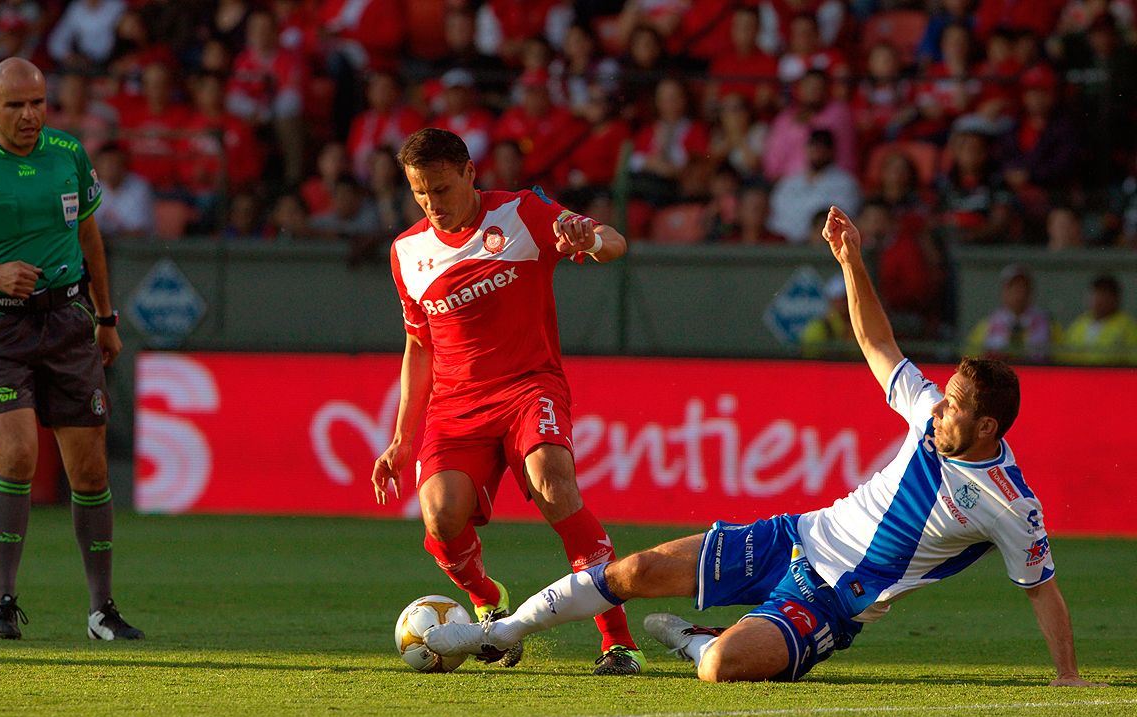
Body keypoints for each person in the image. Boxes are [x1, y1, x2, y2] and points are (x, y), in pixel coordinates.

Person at [424, 206, 1106, 688]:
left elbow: (1042, 591)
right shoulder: (928, 412)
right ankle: (498, 632)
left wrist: (1068, 675)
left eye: (954, 406)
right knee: (631, 572)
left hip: (830, 603)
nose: (938, 408)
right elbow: (878, 345)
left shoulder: (1008, 504)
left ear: (987, 429)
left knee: (722, 669)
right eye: (945, 395)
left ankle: (694, 643)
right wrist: (851, 262)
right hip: (796, 535)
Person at [371, 128, 644, 675]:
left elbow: (614, 241)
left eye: (442, 189)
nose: (433, 205)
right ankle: (487, 600)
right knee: (441, 517)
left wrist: (587, 239)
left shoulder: (523, 213)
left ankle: (617, 642)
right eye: (420, 193)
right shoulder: (407, 251)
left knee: (553, 481)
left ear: (471, 173)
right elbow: (419, 346)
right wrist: (402, 438)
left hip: (529, 386)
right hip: (455, 407)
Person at [0, 57, 143, 641]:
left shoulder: (68, 154)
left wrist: (106, 317)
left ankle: (101, 610)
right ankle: (1, 602)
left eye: (38, 103)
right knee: (17, 456)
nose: (29, 115)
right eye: (16, 104)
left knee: (90, 468)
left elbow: (90, 238)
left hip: (69, 322)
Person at [964, 265, 1056, 363]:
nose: (1019, 292)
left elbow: (1062, 356)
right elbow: (970, 360)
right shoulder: (987, 325)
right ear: (1004, 291)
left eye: (1024, 287)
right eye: (1013, 287)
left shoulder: (1047, 324)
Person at [1057, 274, 1137, 366]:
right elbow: (1064, 355)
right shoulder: (1079, 323)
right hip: (1078, 377)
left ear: (1115, 299)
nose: (1098, 301)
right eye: (1095, 295)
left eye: (1104, 296)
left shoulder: (1127, 326)